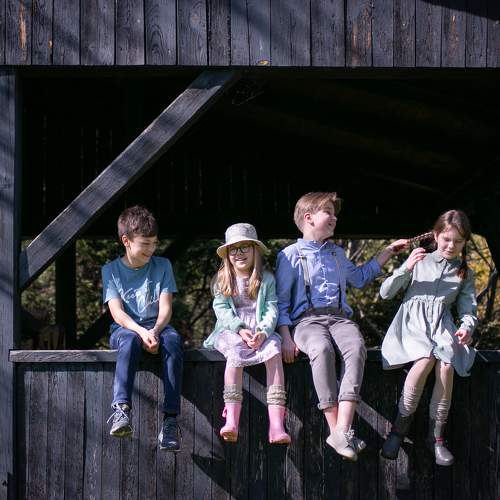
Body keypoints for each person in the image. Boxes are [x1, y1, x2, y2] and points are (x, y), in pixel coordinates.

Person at [275, 192, 407, 461]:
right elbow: (281, 302)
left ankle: (342, 429)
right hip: (306, 321)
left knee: (356, 347)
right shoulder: (289, 255)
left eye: (335, 214)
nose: (335, 218)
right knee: (321, 348)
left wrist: (387, 252)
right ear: (309, 218)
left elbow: (359, 278)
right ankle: (336, 429)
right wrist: (286, 337)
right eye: (329, 212)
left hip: (339, 319)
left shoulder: (337, 254)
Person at [380, 209, 477, 466]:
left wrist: (466, 327)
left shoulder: (464, 272)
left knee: (446, 365)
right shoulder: (419, 259)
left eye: (458, 241)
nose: (451, 246)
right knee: (424, 359)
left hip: (442, 326)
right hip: (411, 325)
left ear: (465, 242)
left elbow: (468, 310)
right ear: (436, 235)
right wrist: (406, 267)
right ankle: (398, 430)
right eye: (446, 239)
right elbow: (385, 293)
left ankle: (436, 437)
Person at [102, 205, 183, 451]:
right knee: (129, 340)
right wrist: (141, 332)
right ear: (126, 241)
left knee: (173, 341)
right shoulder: (110, 271)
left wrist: (155, 331)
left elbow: (166, 308)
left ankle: (170, 420)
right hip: (126, 329)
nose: (151, 249)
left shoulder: (163, 265)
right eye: (145, 244)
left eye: (154, 243)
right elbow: (117, 313)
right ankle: (121, 410)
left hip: (157, 327)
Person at [204, 223, 291, 444]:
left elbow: (271, 308)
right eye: (233, 249)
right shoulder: (223, 279)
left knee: (274, 349)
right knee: (234, 352)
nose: (239, 253)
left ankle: (276, 424)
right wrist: (240, 329)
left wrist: (263, 332)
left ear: (255, 250)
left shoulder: (266, 279)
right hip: (230, 330)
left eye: (244, 247)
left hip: (260, 330)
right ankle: (231, 420)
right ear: (227, 255)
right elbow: (221, 310)